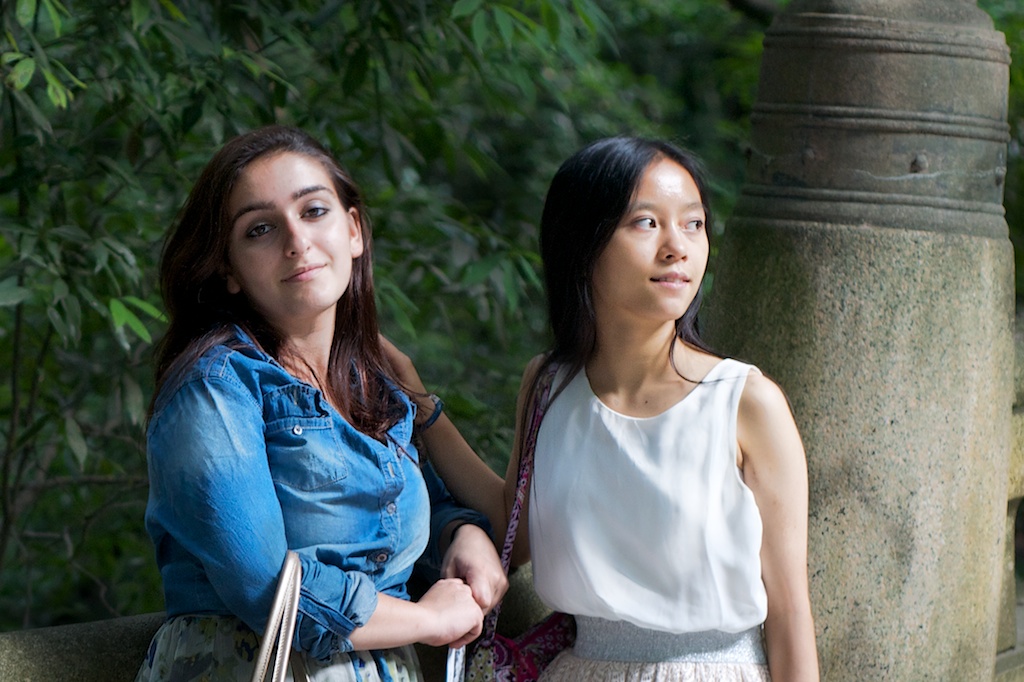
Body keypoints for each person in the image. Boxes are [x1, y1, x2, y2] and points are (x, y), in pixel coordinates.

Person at [389, 137, 819, 681]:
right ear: (583, 243)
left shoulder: (745, 402)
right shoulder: (549, 385)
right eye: (646, 223)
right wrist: (422, 406)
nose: (678, 247)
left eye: (694, 224)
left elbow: (789, 610)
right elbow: (514, 528)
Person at [135, 125, 507, 682]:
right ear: (228, 270)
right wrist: (429, 619)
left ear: (353, 230)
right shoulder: (214, 387)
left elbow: (392, 518)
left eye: (313, 211)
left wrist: (460, 533)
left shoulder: (371, 388)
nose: (296, 240)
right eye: (260, 229)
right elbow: (270, 592)